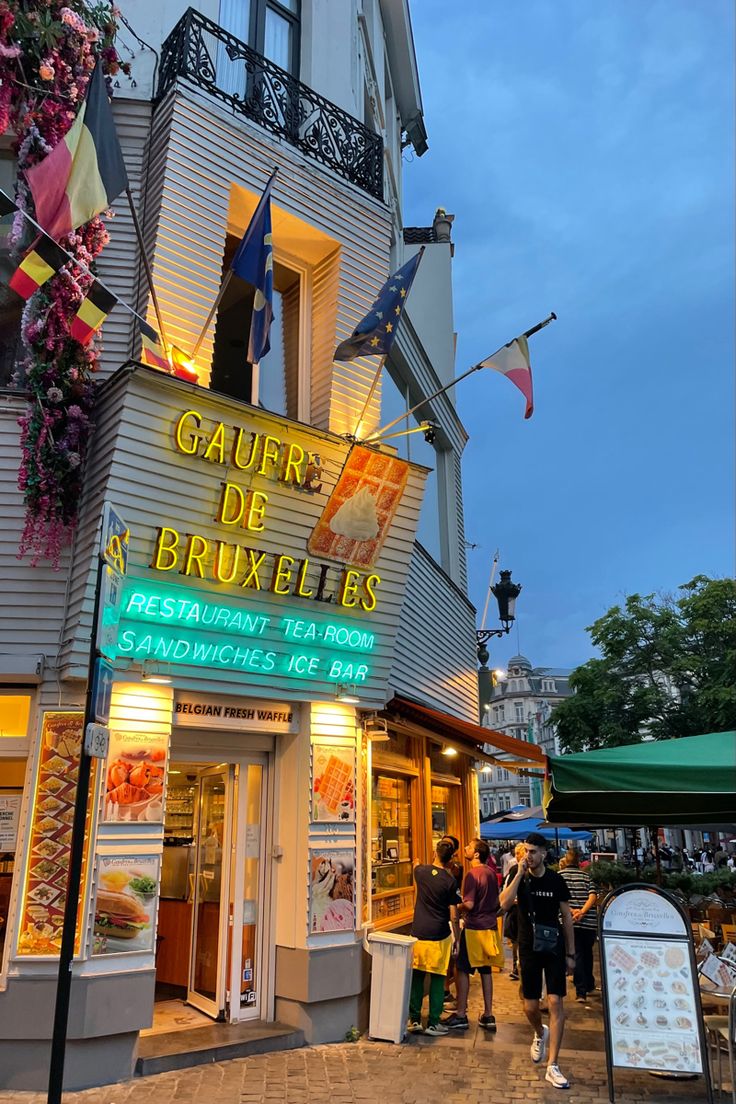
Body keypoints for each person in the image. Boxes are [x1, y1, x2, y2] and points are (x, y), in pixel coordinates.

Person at [500, 832, 576, 1091]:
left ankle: (553, 1065)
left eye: (533, 851)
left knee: (555, 1001)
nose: (528, 856)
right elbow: (504, 904)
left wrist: (571, 954)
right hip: (528, 947)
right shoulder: (517, 876)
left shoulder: (556, 880)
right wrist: (519, 874)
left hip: (554, 946)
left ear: (544, 853)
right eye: (525, 851)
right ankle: (539, 1032)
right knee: (530, 1006)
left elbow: (566, 917)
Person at [442, 838, 503, 1032]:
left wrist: (453, 907)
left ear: (476, 854)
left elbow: (469, 904)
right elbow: (496, 903)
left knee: (461, 969)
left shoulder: (472, 874)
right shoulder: (491, 874)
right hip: (490, 928)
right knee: (485, 971)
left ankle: (461, 1014)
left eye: (469, 847)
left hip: (474, 928)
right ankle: (488, 1014)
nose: (465, 849)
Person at [407, 839, 460, 1036]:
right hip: (439, 933)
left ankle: (414, 1019)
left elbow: (416, 865)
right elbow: (454, 914)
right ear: (451, 859)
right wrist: (458, 938)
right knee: (438, 978)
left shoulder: (421, 873)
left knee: (417, 975)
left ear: (435, 853)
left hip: (419, 931)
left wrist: (418, 861)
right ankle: (433, 1022)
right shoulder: (450, 881)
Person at [558, 848, 598, 1003]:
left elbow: (558, 898)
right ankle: (588, 983)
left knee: (578, 953)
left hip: (569, 921)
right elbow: (593, 896)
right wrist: (582, 911)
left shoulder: (560, 877)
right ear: (578, 862)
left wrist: (572, 911)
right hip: (588, 921)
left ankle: (581, 990)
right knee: (586, 952)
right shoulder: (587, 876)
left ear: (566, 861)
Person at [441, 835, 464, 1010]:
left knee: (454, 957)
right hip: (438, 914)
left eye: (447, 845)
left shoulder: (456, 868)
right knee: (444, 957)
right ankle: (444, 990)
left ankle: (454, 992)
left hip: (450, 914)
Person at [502, 842, 528, 981]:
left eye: (520, 852)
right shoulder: (513, 871)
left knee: (519, 941)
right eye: (517, 853)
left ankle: (520, 968)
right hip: (514, 912)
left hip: (521, 913)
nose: (518, 856)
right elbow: (506, 891)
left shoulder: (531, 870)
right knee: (515, 941)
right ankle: (516, 967)